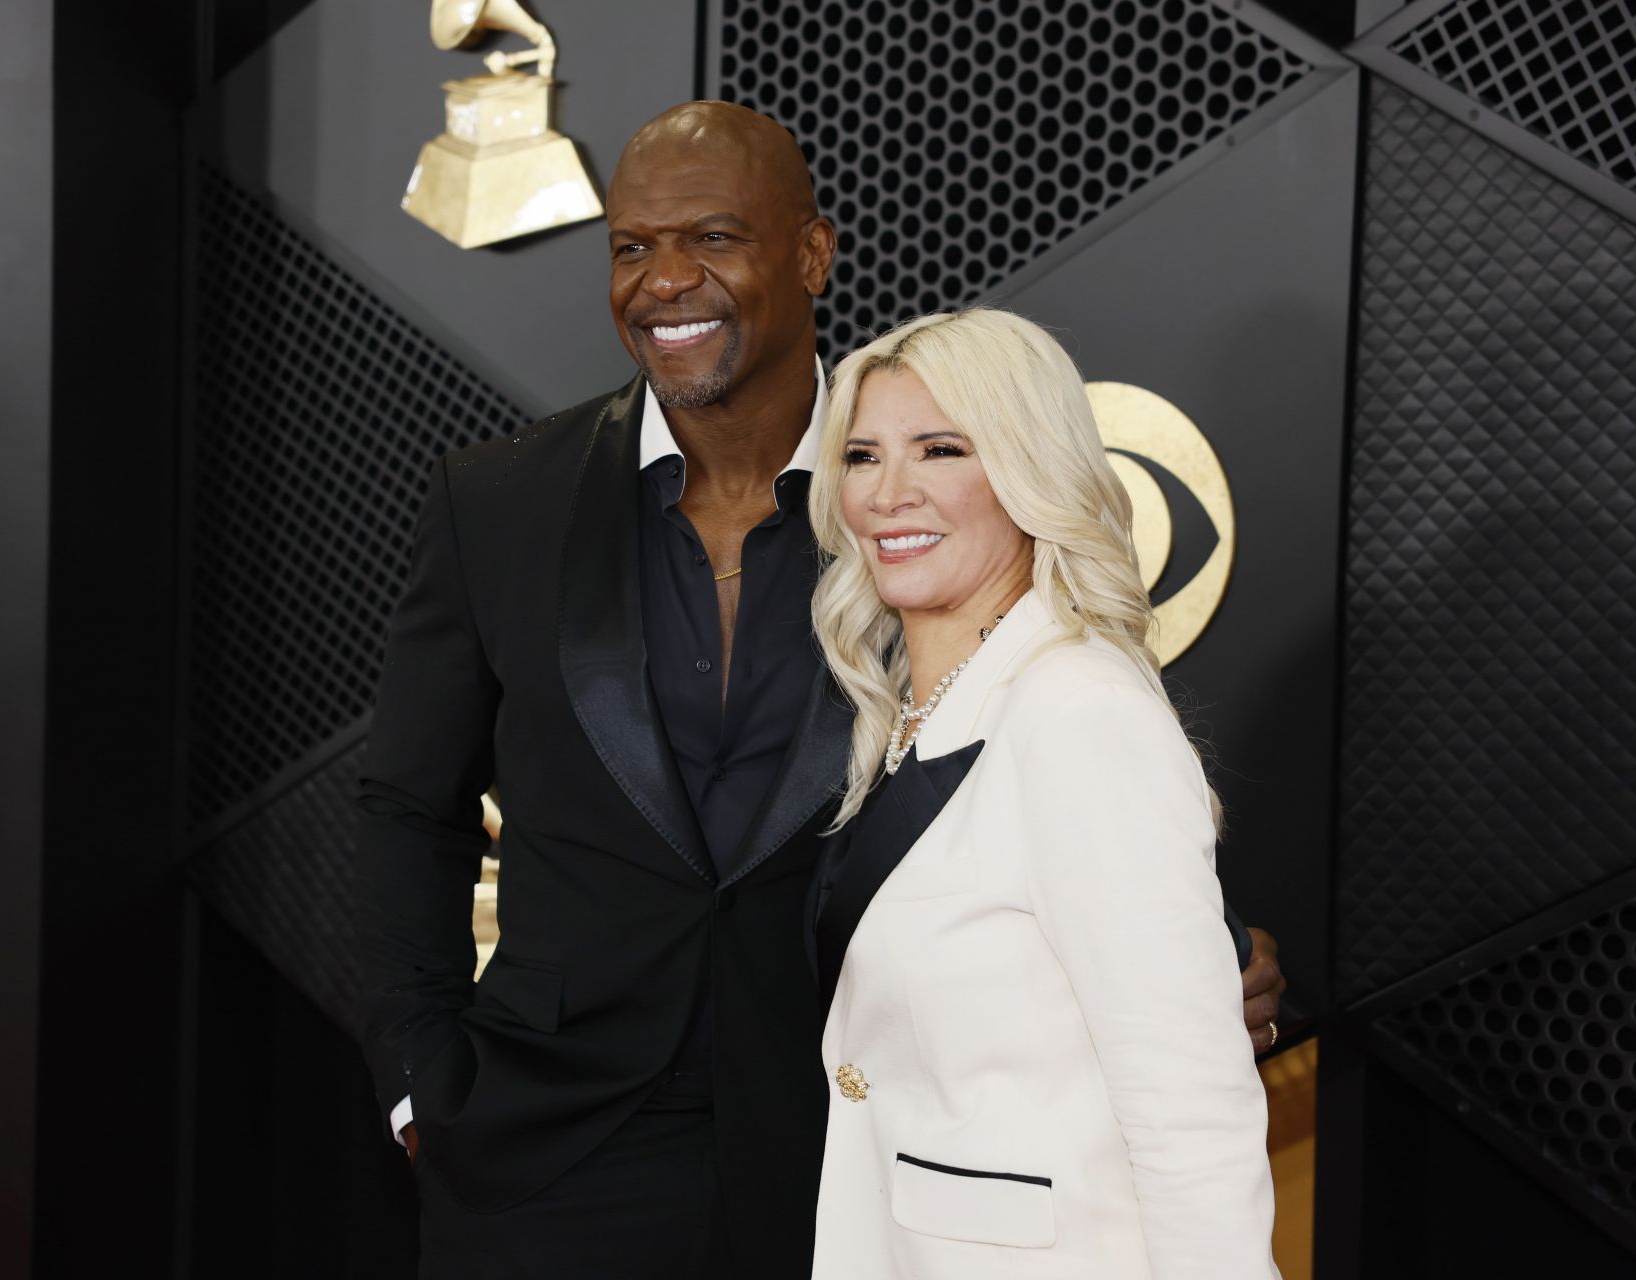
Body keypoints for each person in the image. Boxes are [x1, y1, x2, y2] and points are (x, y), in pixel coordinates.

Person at [355, 102, 1285, 1279]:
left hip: (846, 1148)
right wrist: (416, 1077)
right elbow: (405, 807)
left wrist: (1195, 949)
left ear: (811, 254)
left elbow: (1023, 738)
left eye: (714, 237)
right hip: (543, 1148)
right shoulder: (499, 501)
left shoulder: (905, 518)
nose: (667, 280)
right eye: (633, 246)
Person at [806, 308, 1279, 1276]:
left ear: (1027, 467)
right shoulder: (909, 711)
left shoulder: (1079, 711)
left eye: (940, 449)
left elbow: (1190, 1105)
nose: (890, 493)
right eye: (862, 456)